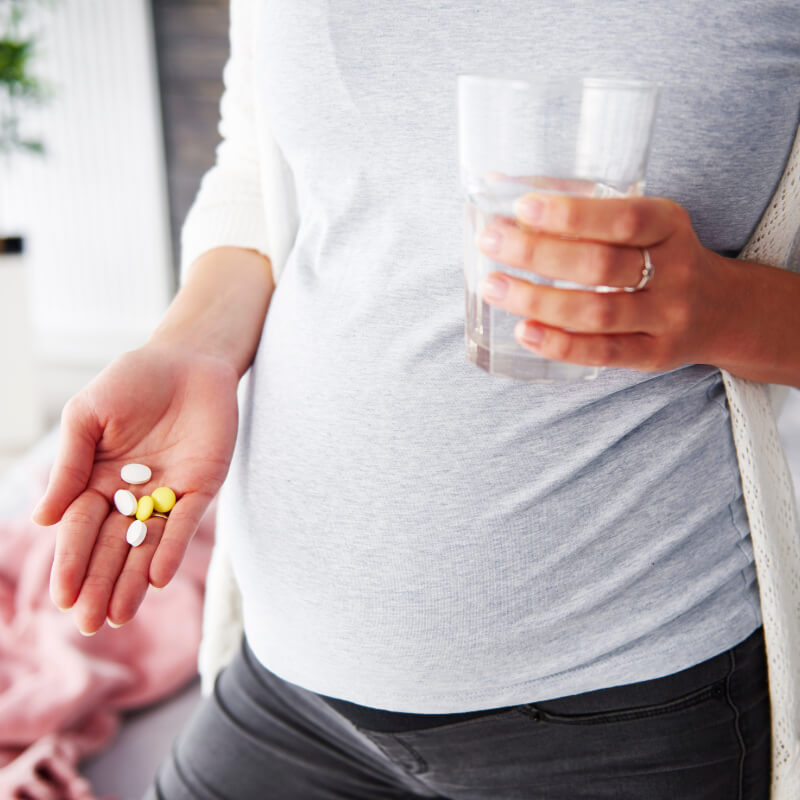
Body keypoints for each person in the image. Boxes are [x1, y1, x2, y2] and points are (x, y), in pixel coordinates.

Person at [31, 1, 800, 798]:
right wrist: (190, 346)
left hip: (622, 709)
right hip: (288, 681)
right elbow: (265, 164)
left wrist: (721, 308)